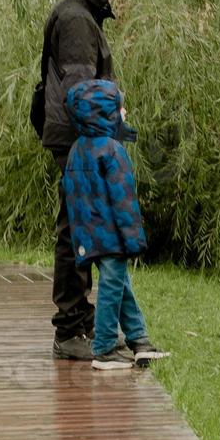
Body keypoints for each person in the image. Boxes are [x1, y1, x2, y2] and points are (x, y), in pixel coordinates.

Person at [40, 0, 133, 360]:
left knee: (81, 226)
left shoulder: (79, 16)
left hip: (80, 136)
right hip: (80, 139)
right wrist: (111, 117)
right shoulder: (77, 21)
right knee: (77, 230)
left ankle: (82, 319)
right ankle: (70, 328)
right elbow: (82, 94)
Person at [61, 78, 168, 371]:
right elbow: (124, 201)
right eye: (120, 109)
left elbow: (71, 196)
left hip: (89, 235)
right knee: (112, 286)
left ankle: (139, 340)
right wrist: (133, 239)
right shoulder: (112, 150)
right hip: (112, 236)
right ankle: (105, 347)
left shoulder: (77, 149)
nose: (125, 113)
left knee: (119, 283)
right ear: (105, 113)